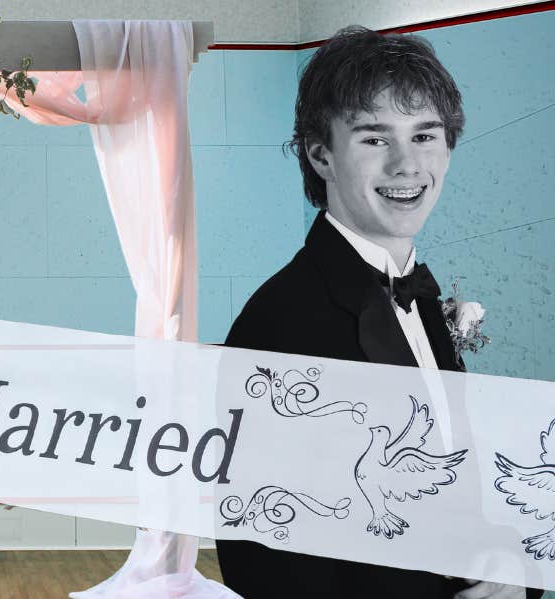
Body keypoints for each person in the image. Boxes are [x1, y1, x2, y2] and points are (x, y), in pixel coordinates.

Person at [215, 26, 539, 599]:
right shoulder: (277, 322)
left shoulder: (424, 299)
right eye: (373, 139)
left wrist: (506, 564)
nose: (407, 165)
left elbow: (448, 491)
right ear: (321, 155)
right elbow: (258, 558)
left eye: (425, 135)